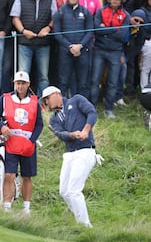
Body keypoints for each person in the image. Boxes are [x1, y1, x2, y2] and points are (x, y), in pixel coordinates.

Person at [41, 86, 99, 228]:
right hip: (69, 154)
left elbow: (92, 113)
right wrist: (72, 135)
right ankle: (80, 219)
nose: (47, 103)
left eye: (47, 99)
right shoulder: (53, 120)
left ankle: (85, 225)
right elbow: (60, 134)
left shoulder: (76, 100)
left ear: (56, 94)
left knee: (74, 191)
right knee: (64, 191)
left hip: (85, 151)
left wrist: (86, 130)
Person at [0, 71, 44, 213]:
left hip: (27, 145)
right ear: (14, 84)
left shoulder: (34, 101)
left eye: (23, 84)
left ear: (28, 84)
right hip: (10, 143)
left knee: (27, 176)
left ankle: (26, 208)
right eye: (18, 83)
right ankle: (7, 205)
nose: (20, 86)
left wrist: (32, 141)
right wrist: (2, 126)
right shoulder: (4, 98)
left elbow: (39, 124)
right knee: (9, 175)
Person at [90, 0, 130, 118]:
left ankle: (109, 108)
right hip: (99, 50)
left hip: (115, 52)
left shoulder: (126, 15)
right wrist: (114, 29)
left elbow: (123, 35)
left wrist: (105, 29)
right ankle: (92, 107)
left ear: (121, 0)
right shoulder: (101, 11)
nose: (114, 0)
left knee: (113, 82)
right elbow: (96, 29)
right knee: (95, 80)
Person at [10, 0, 57, 97]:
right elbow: (15, 18)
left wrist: (48, 28)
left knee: (44, 76)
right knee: (23, 74)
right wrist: (23, 31)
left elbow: (55, 18)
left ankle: (43, 103)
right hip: (25, 42)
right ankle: (21, 100)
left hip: (43, 43)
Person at [53, 0, 93, 98]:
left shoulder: (86, 12)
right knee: (63, 82)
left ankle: (83, 108)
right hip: (65, 51)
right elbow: (57, 33)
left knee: (83, 82)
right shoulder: (60, 12)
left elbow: (90, 31)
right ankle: (63, 108)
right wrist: (70, 46)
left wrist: (80, 46)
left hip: (82, 51)